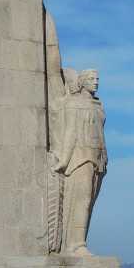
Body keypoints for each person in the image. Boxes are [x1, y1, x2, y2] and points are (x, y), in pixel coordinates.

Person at [51, 69, 107, 254]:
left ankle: (79, 241)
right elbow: (70, 132)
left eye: (97, 79)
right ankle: (76, 244)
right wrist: (64, 161)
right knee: (81, 201)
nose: (96, 82)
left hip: (98, 159)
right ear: (82, 82)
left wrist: (104, 159)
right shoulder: (73, 104)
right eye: (92, 79)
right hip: (81, 158)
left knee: (90, 203)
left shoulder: (98, 105)